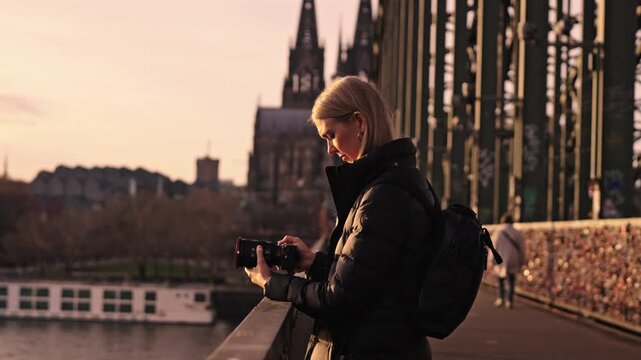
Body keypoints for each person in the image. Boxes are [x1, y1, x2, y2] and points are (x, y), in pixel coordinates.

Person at [244, 76, 439, 359]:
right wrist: (314, 262)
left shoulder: (383, 196)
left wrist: (272, 283)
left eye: (331, 135)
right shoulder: (396, 182)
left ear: (360, 123)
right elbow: (373, 278)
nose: (329, 150)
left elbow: (339, 300)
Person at [490, 213, 527, 309]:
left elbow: (493, 247)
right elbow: (522, 248)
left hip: (501, 258)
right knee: (511, 280)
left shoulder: (498, 232)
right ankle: (509, 301)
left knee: (500, 279)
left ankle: (500, 298)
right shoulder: (517, 232)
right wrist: (522, 260)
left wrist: (491, 260)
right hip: (513, 258)